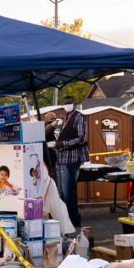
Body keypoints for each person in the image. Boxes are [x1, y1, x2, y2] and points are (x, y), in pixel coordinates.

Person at [54, 95, 88, 228]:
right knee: (62, 193)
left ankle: (73, 220)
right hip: (62, 159)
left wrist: (63, 144)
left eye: (69, 103)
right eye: (65, 103)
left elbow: (82, 138)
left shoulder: (79, 117)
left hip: (72, 159)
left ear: (74, 103)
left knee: (69, 193)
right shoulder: (65, 118)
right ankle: (65, 221)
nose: (67, 105)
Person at [42, 112, 58, 176]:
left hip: (53, 163)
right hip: (46, 164)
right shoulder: (43, 129)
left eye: (55, 119)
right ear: (45, 120)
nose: (54, 120)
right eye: (51, 119)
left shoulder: (53, 132)